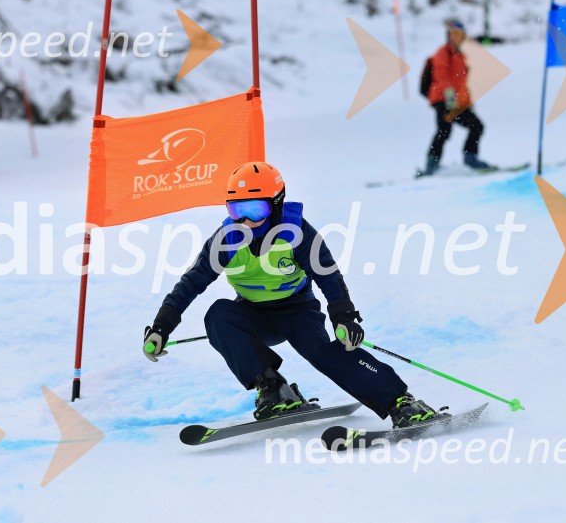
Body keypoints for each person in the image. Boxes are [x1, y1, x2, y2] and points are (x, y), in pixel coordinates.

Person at [143, 161, 442, 427]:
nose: (246, 221)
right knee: (218, 315)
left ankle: (401, 402)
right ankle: (274, 388)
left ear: (276, 204)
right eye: (237, 210)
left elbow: (327, 275)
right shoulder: (226, 240)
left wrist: (343, 316)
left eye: (255, 209)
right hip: (253, 314)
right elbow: (190, 283)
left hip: (297, 311)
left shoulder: (296, 231)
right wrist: (160, 327)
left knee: (324, 352)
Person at [422, 19, 495, 176]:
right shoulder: (442, 53)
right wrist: (449, 95)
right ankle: (431, 165)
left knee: (476, 126)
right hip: (442, 99)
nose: (457, 38)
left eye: (460, 35)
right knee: (444, 130)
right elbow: (441, 76)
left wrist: (467, 103)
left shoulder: (460, 56)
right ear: (448, 36)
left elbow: (461, 84)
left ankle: (470, 158)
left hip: (456, 101)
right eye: (454, 34)